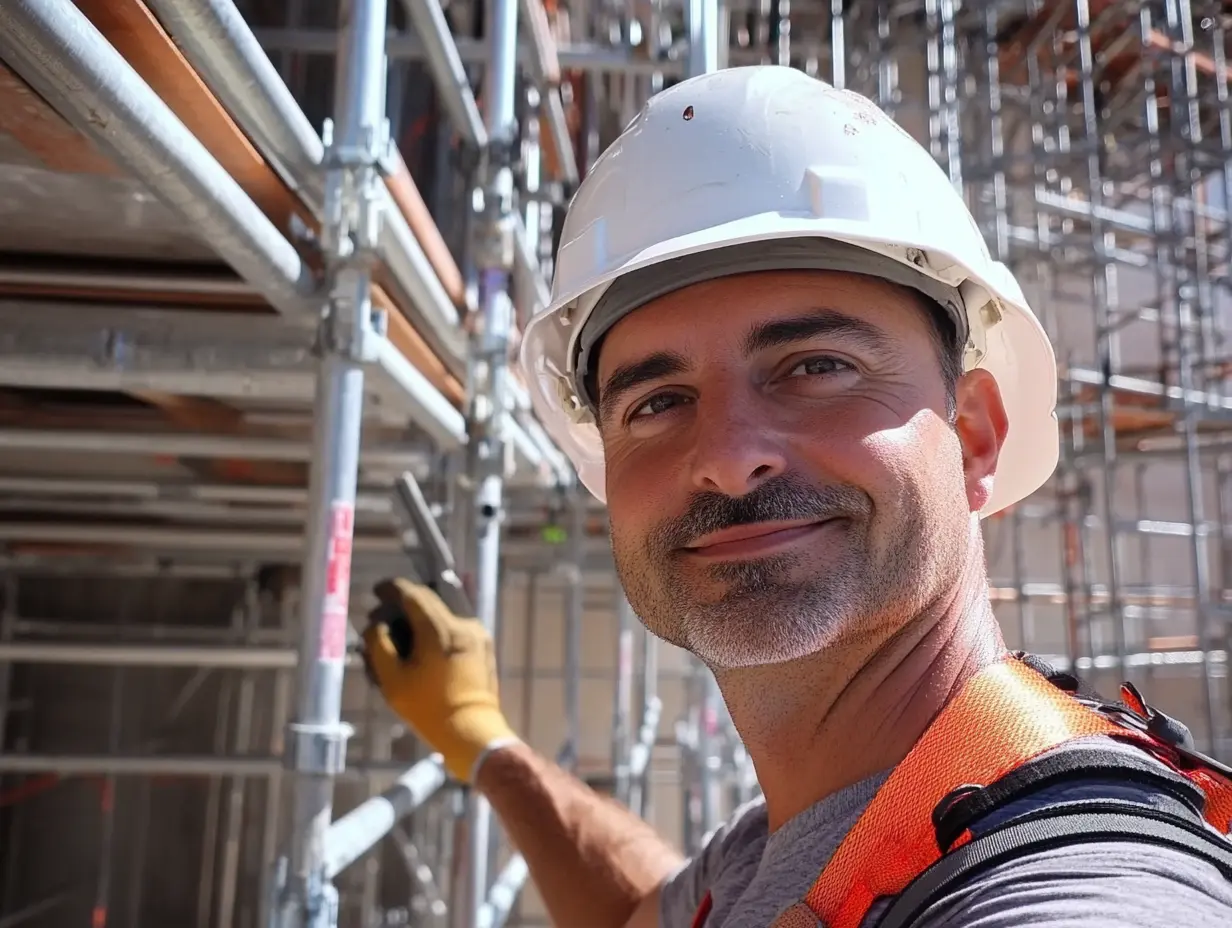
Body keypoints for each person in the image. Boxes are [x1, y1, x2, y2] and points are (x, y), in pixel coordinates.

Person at [362, 66, 1232, 927]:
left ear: (974, 435)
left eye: (817, 367)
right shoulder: (782, 854)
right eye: (657, 402)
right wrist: (485, 742)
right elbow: (642, 913)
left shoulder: (1072, 883)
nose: (730, 459)